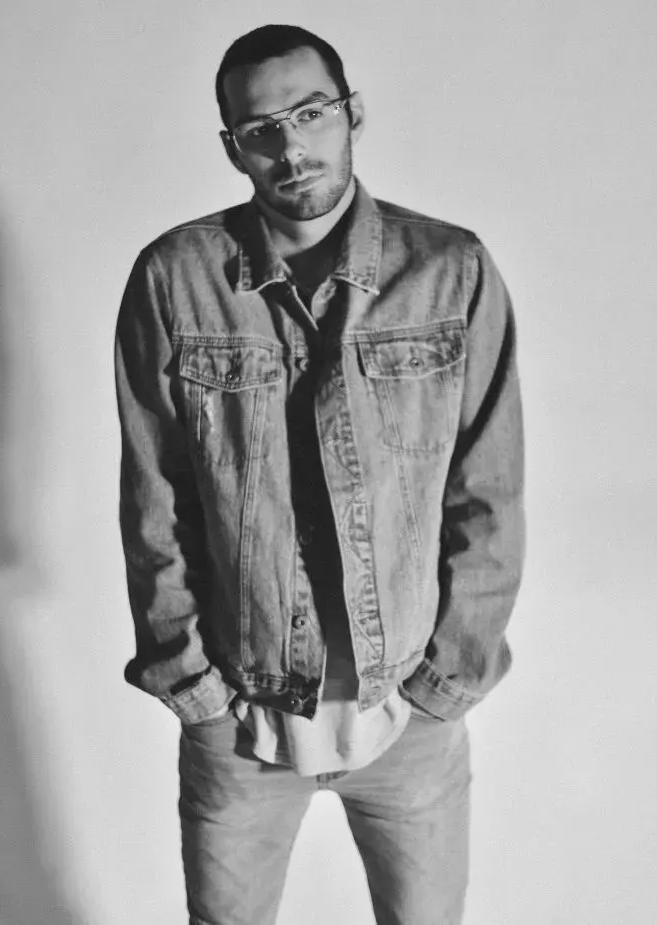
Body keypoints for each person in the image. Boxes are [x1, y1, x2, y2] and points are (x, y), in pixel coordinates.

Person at [115, 23, 525, 925]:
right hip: (242, 717)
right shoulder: (176, 278)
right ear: (233, 147)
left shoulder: (449, 270)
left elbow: (488, 494)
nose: (291, 147)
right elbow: (155, 498)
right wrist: (198, 694)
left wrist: (444, 689)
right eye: (261, 129)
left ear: (352, 114)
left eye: (310, 114)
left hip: (407, 716)